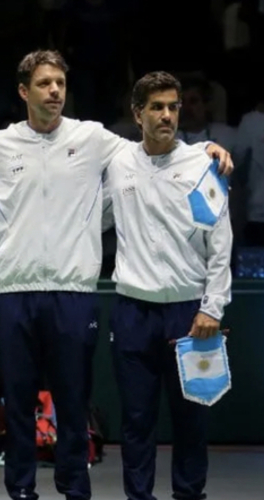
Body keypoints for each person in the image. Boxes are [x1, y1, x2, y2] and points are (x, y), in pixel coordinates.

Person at [0, 50, 233, 500]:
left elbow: (162, 154)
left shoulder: (98, 140)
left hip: (86, 295)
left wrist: (207, 149)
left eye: (60, 83)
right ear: (23, 91)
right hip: (18, 293)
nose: (54, 90)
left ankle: (79, 492)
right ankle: (22, 492)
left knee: (80, 406)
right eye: (44, 83)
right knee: (21, 407)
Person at [102, 71, 232, 500]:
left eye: (173, 107)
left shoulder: (203, 164)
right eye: (156, 107)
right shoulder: (117, 164)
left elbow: (220, 240)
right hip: (132, 310)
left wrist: (212, 307)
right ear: (137, 114)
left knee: (192, 421)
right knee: (136, 422)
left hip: (189, 313)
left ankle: (189, 496)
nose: (166, 115)